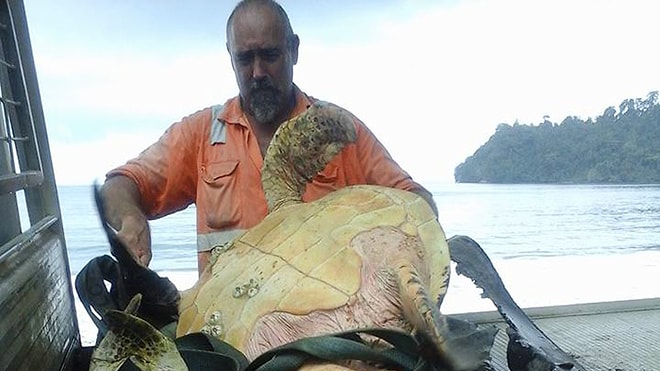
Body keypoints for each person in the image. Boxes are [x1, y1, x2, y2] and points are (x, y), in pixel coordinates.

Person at [100, 0, 437, 274]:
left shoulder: (338, 130)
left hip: (326, 324)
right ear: (230, 57)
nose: (258, 72)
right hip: (229, 330)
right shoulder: (200, 135)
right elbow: (120, 184)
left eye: (270, 55)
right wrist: (130, 217)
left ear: (293, 50)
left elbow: (414, 199)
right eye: (245, 58)